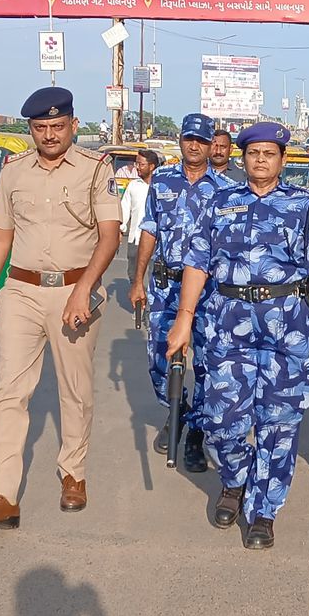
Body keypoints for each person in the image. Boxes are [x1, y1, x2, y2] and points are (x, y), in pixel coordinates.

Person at [166, 122, 309, 550]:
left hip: (288, 328)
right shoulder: (220, 201)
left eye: (269, 153)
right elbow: (196, 262)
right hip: (227, 325)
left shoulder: (304, 204)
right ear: (242, 158)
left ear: (283, 160)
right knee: (222, 423)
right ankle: (235, 479)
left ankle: (263, 510)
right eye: (252, 153)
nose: (260, 159)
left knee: (279, 424)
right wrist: (183, 319)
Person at [0, 87, 121, 530]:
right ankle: (1, 496)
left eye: (57, 126)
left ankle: (74, 473)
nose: (49, 135)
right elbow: (1, 235)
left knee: (75, 389)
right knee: (9, 390)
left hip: (77, 290)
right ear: (29, 129)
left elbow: (109, 235)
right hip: (21, 292)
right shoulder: (13, 171)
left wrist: (83, 289)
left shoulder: (96, 168)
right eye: (40, 128)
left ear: (73, 124)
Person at [130, 114, 234, 473]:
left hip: (206, 292)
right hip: (164, 285)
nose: (194, 146)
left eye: (202, 141)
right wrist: (137, 279)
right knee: (160, 360)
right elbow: (149, 230)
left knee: (206, 364)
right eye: (189, 138)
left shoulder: (224, 191)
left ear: (212, 146)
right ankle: (178, 412)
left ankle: (195, 434)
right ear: (180, 140)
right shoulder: (161, 180)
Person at [119, 149, 158, 290]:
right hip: (135, 240)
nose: (137, 167)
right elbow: (124, 209)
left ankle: (150, 309)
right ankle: (139, 303)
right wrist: (120, 230)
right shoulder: (133, 186)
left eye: (141, 164)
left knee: (154, 277)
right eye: (137, 164)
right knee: (133, 275)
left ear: (152, 166)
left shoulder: (161, 186)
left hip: (156, 242)